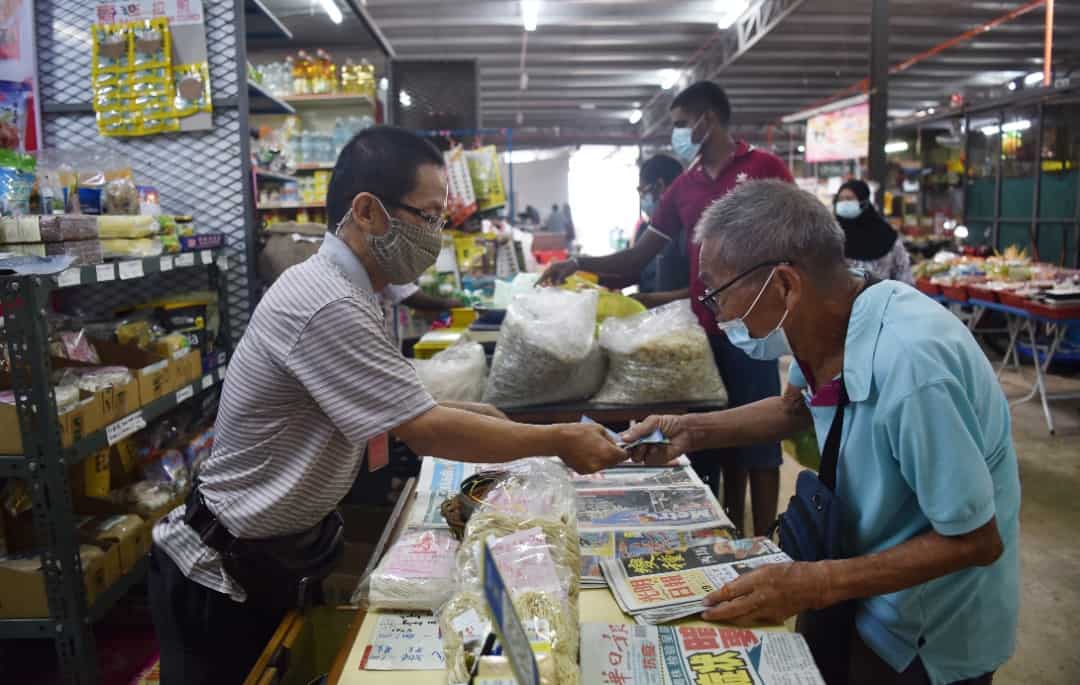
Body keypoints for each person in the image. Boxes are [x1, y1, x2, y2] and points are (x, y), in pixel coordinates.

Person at [149, 126, 626, 684]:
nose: (436, 235)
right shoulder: (327, 301)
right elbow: (424, 429)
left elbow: (403, 401)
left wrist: (492, 420)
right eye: (428, 216)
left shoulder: (351, 290)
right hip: (221, 577)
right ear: (367, 212)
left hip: (273, 558)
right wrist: (558, 440)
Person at [625, 179, 1019, 685]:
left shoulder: (914, 366)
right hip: (862, 586)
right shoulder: (834, 318)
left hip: (929, 629)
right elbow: (795, 408)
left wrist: (816, 583)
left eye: (716, 294)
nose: (715, 313)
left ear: (785, 286)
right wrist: (688, 430)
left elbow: (975, 541)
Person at [540, 81, 794, 535]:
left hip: (755, 328)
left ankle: (767, 538)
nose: (676, 133)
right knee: (715, 441)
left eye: (680, 123)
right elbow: (637, 258)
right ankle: (731, 531)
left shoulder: (764, 168)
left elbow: (800, 241)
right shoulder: (684, 187)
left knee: (761, 446)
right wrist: (579, 264)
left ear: (707, 120)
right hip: (702, 336)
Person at [835, 179, 913, 284]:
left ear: (863, 201)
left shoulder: (886, 236)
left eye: (849, 198)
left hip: (884, 293)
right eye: (840, 199)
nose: (844, 203)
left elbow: (903, 273)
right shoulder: (833, 236)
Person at [634, 154, 688, 305]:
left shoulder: (688, 230)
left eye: (642, 191)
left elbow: (701, 289)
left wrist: (652, 300)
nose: (642, 198)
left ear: (659, 186)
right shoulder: (647, 229)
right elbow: (636, 269)